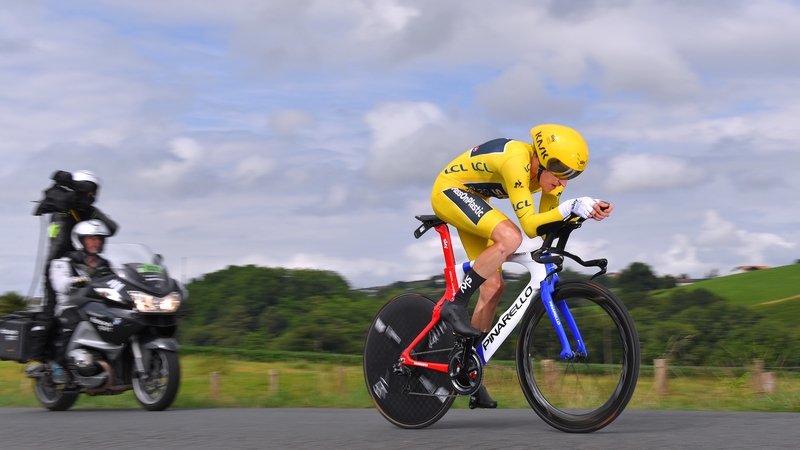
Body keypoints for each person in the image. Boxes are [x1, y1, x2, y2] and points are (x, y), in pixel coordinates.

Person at [430, 124, 612, 408]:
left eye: (572, 176)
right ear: (542, 159)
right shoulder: (517, 159)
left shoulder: (547, 179)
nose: (564, 182)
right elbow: (527, 226)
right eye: (561, 172)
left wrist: (582, 212)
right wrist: (571, 205)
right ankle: (455, 304)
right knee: (510, 236)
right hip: (449, 191)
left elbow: (542, 229)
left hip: (476, 199)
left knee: (493, 287)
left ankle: (468, 370)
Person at [28, 170, 117, 367]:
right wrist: (69, 262)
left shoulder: (87, 211)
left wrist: (92, 215)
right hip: (59, 266)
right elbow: (59, 244)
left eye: (94, 192)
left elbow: (111, 228)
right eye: (89, 191)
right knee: (53, 311)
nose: (92, 196)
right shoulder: (63, 210)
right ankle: (44, 361)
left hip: (84, 262)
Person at [45, 219, 113, 383]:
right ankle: (58, 368)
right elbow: (59, 284)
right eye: (91, 238)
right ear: (80, 240)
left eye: (99, 238)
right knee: (74, 323)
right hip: (71, 306)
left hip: (98, 306)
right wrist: (74, 281)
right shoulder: (63, 262)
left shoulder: (105, 264)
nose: (96, 242)